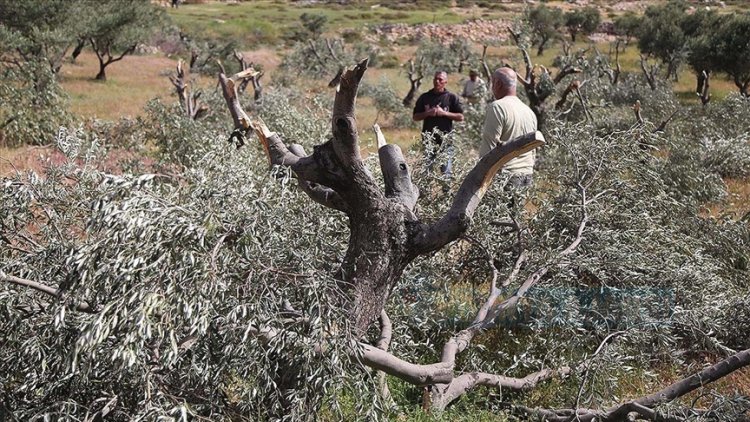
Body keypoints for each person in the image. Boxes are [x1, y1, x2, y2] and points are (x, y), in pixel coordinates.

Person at [480, 67, 538, 189]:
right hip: (526, 176)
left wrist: (479, 178)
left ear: (498, 84)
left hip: (505, 178)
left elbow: (489, 147)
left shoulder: (497, 107)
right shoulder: (528, 111)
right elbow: (533, 149)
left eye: (493, 83)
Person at [412, 71, 464, 177]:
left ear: (445, 82)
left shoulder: (451, 97)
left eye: (440, 79)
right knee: (426, 172)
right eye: (435, 79)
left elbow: (460, 117)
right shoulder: (425, 97)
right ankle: (425, 193)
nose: (437, 81)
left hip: (446, 142)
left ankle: (446, 193)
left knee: (446, 173)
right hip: (429, 141)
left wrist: (444, 113)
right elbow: (415, 117)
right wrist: (428, 113)